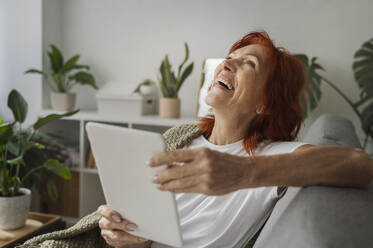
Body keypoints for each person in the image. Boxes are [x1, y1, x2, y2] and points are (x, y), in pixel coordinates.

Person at [97, 31, 373, 248]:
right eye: (230, 56)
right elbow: (147, 232)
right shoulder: (178, 140)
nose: (227, 62)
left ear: (265, 102)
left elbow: (359, 164)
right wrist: (128, 235)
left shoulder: (274, 155)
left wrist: (242, 172)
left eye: (248, 63)